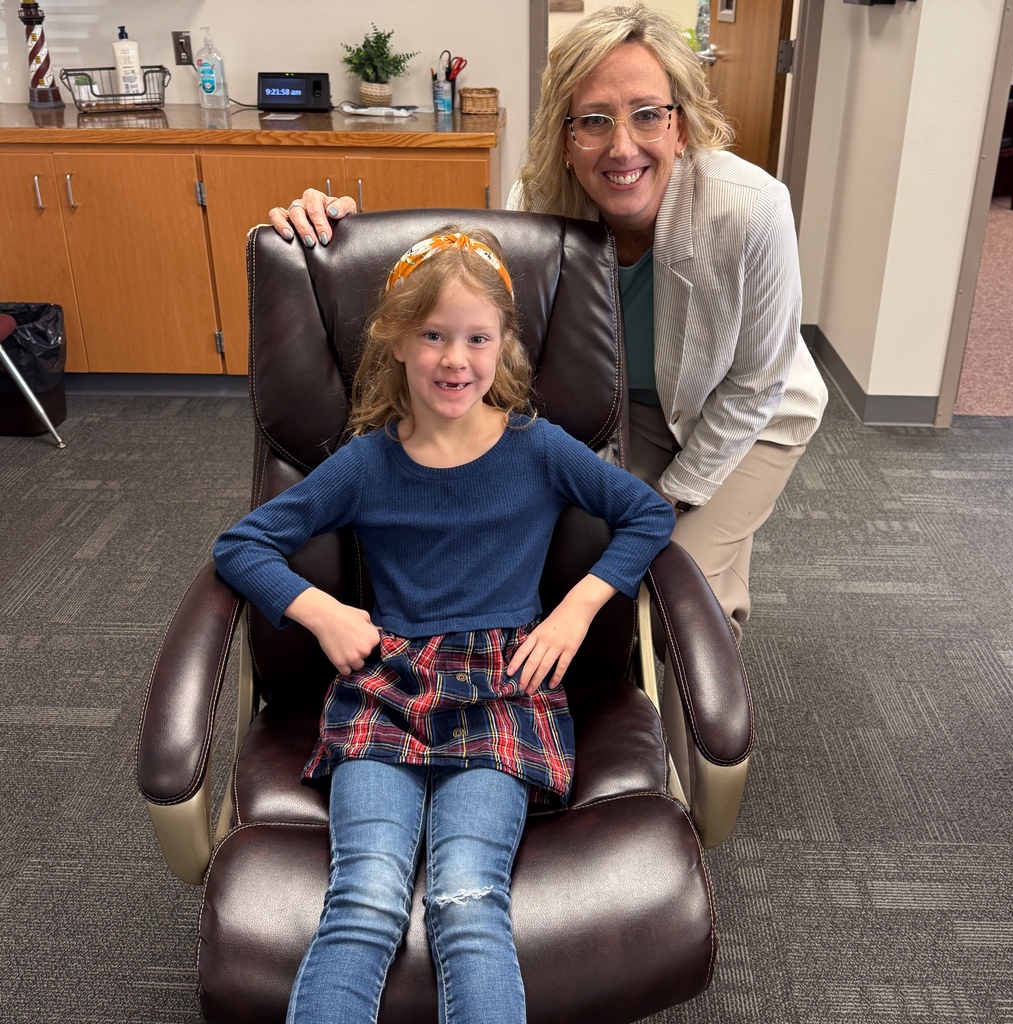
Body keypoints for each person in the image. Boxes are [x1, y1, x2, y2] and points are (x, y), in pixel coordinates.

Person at [213, 226, 675, 1024]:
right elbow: (241, 545)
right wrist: (322, 611)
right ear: (395, 340)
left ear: (505, 346)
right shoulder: (366, 462)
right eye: (432, 335)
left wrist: (578, 607)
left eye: (476, 338)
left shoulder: (540, 449)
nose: (455, 359)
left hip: (505, 689)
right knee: (363, 900)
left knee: (466, 899)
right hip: (385, 690)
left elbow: (648, 514)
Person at [267, 2, 828, 645]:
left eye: (648, 114)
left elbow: (756, 384)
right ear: (565, 137)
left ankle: (704, 679)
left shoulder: (752, 209)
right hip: (628, 407)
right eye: (594, 120)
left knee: (675, 589)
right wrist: (344, 235)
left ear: (681, 127)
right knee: (593, 568)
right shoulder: (538, 204)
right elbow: (465, 290)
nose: (622, 146)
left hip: (751, 414)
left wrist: (677, 497)